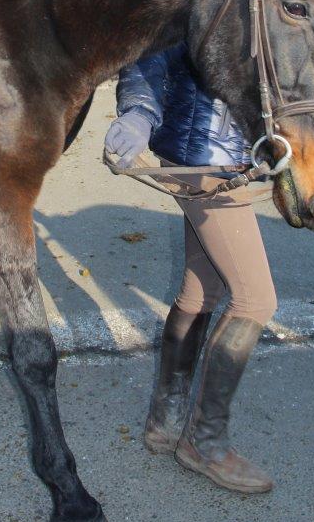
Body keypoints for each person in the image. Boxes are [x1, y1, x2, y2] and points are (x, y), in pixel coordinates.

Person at [104, 45, 276, 494]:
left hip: (227, 157)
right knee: (256, 299)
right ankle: (204, 442)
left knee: (203, 291)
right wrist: (138, 114)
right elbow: (149, 55)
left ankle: (166, 421)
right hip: (206, 161)